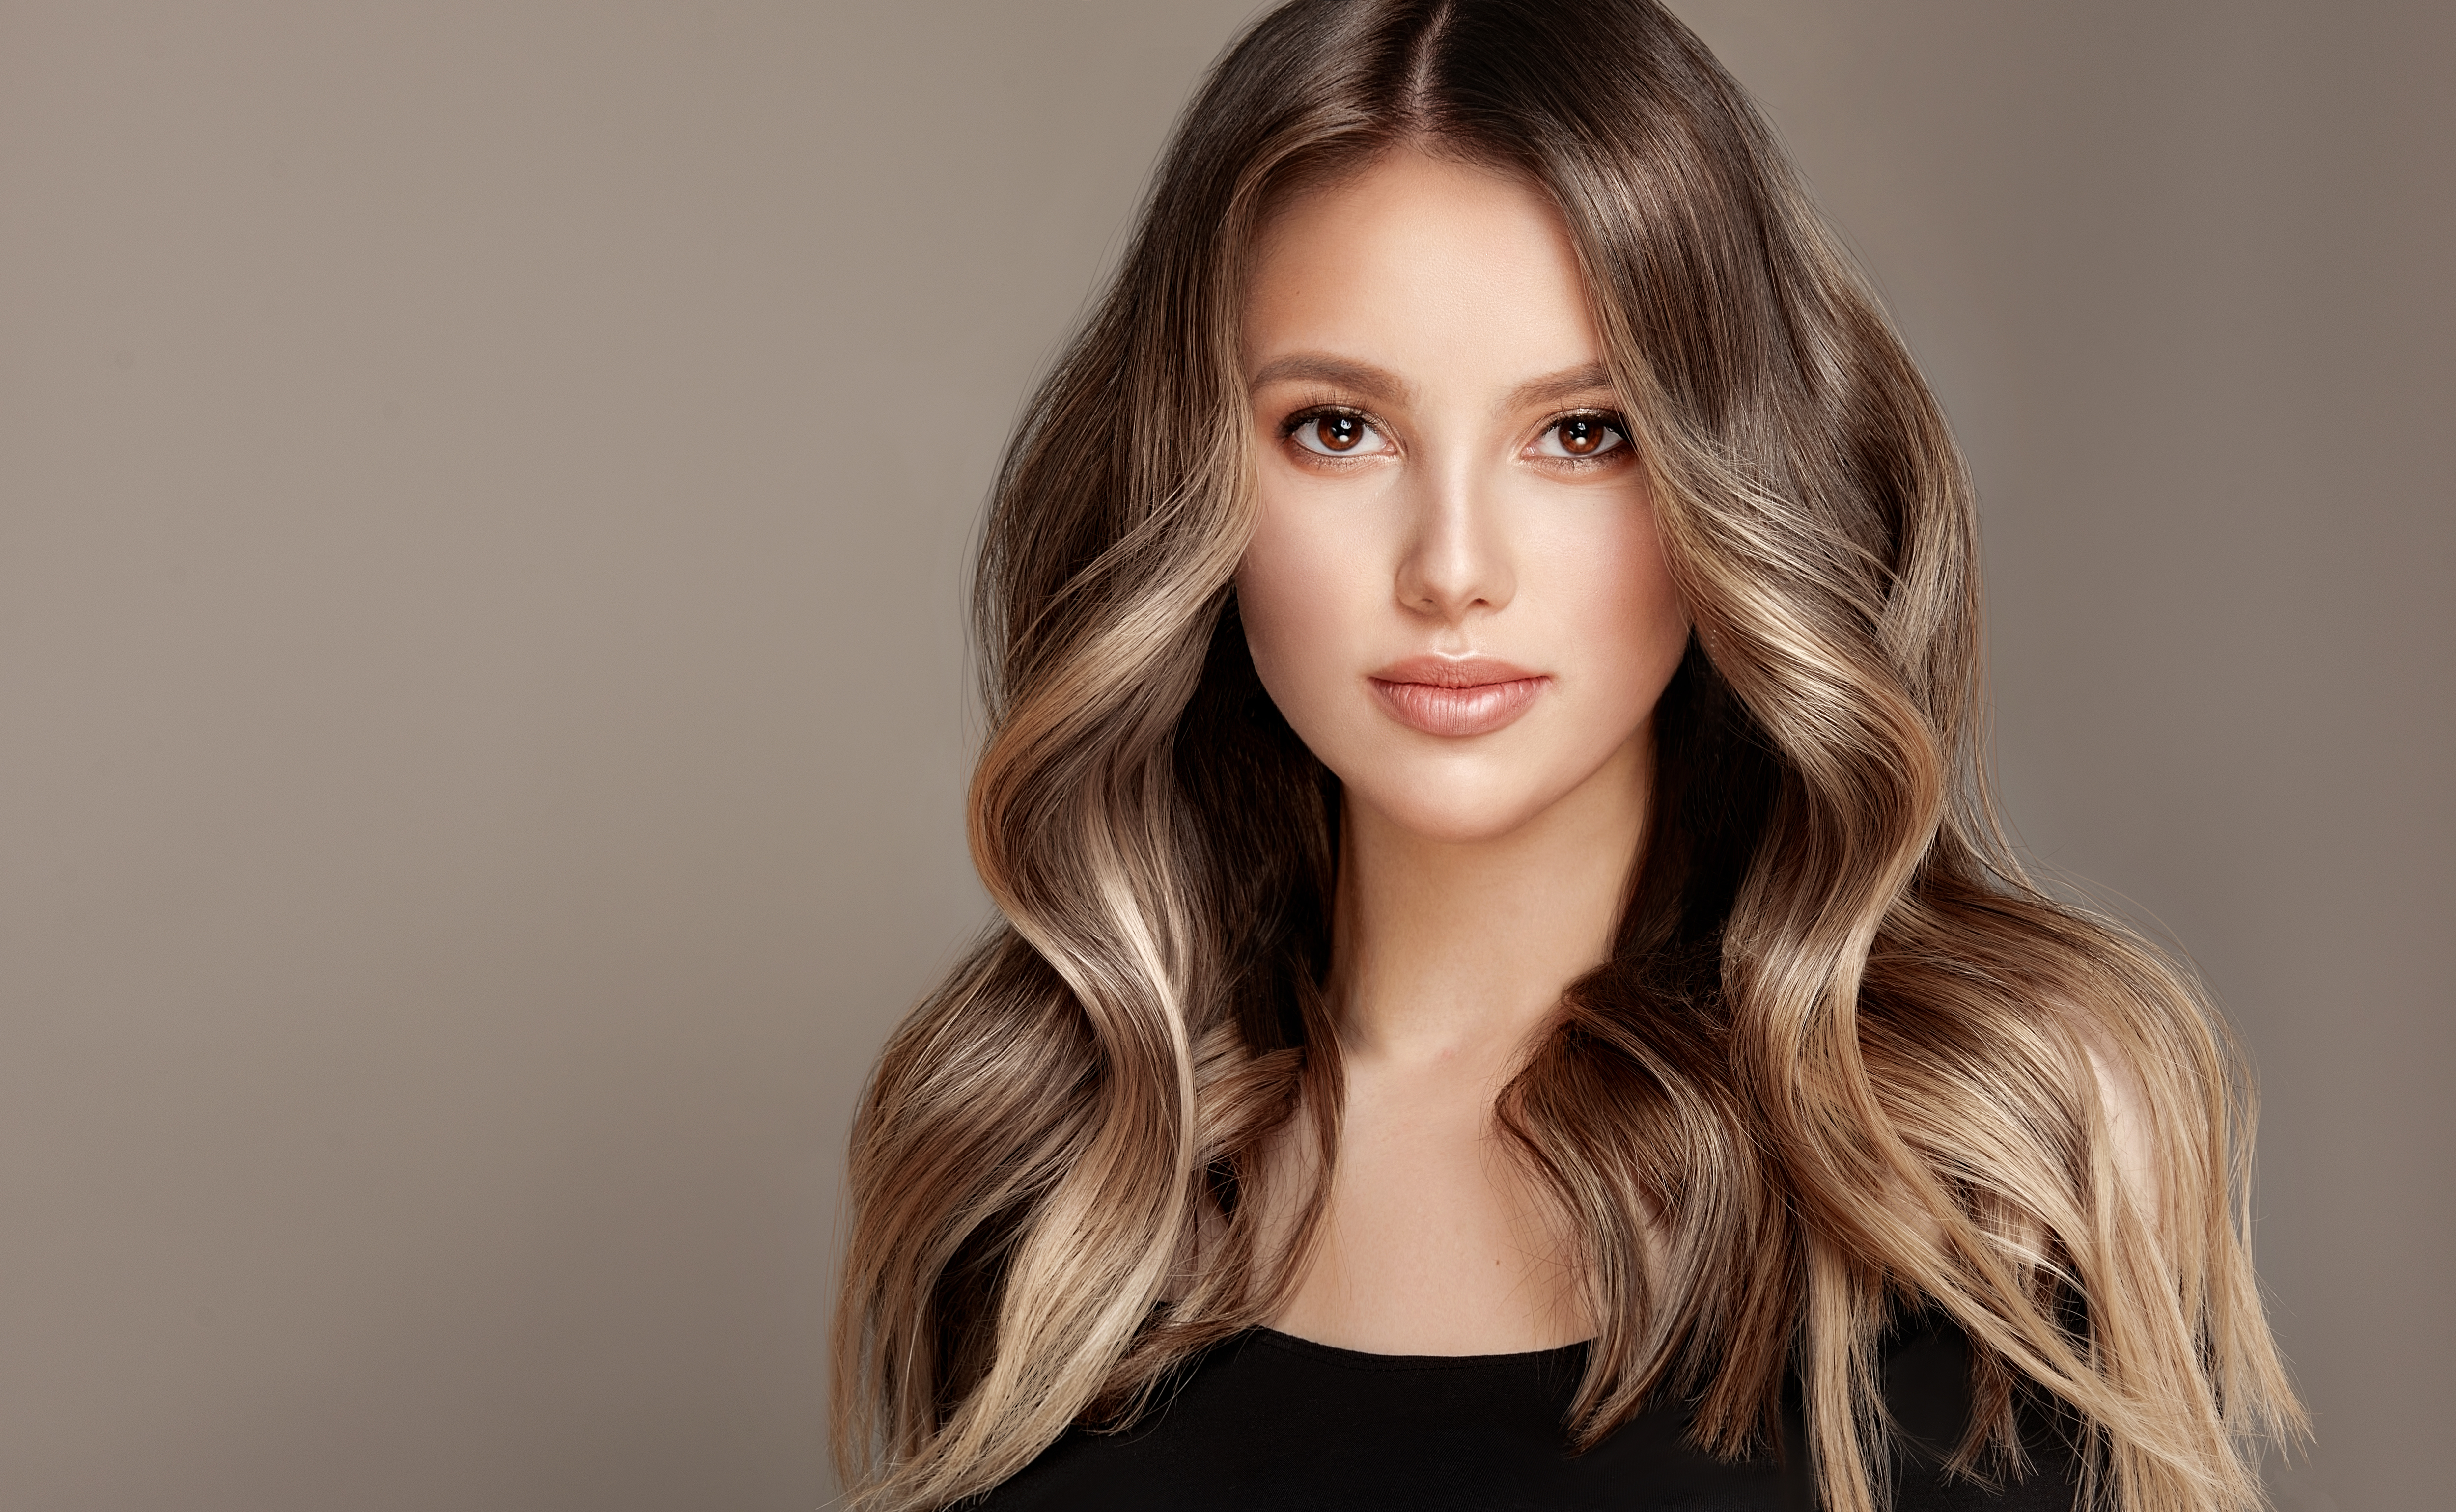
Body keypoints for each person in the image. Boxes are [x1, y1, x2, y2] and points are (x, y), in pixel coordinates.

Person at [831, 2, 2301, 1508]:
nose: (1453, 568)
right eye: (1339, 429)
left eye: (1583, 433)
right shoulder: (1041, 1147)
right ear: (1189, 477)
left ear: (1727, 474)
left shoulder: (1998, 1137)